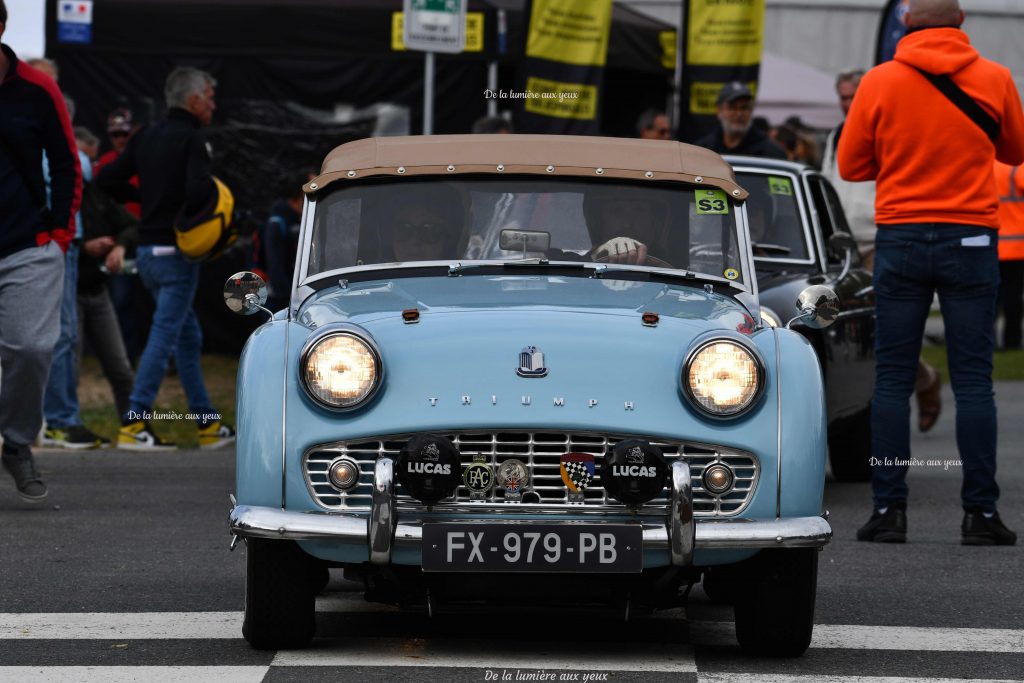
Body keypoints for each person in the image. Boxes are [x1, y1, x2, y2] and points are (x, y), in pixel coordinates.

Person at [838, 0, 1024, 545]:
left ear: (907, 26)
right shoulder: (994, 77)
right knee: (974, 382)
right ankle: (981, 515)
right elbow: (1013, 150)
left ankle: (889, 510)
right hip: (970, 237)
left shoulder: (879, 81)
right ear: (962, 24)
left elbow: (851, 164)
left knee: (893, 379)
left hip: (902, 236)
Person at [97, 66, 234, 451]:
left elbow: (106, 180)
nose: (212, 104)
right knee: (164, 336)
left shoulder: (146, 136)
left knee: (187, 337)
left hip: (147, 255)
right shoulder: (192, 139)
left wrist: (149, 199)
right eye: (208, 96)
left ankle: (206, 425)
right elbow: (196, 193)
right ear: (192, 100)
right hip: (175, 255)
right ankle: (134, 423)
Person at [824, 67, 944, 433]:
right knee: (853, 333)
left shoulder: (887, 128)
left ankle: (916, 385)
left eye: (854, 95)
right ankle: (923, 379)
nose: (849, 103)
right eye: (843, 97)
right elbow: (831, 179)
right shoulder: (837, 134)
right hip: (843, 245)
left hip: (881, 239)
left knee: (885, 330)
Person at [1, 0, 82, 500]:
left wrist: (60, 234)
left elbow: (67, 160)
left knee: (31, 349)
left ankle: (15, 442)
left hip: (27, 242)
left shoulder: (36, 87)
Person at [75, 126, 137, 422]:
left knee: (120, 366)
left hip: (98, 291)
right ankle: (64, 424)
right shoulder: (57, 195)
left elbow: (130, 224)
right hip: (68, 291)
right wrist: (83, 246)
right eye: (81, 157)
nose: (86, 165)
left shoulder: (98, 193)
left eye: (90, 158)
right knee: (67, 368)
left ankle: (132, 425)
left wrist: (120, 248)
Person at [261, 171, 313, 311]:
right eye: (313, 187)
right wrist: (292, 300)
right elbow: (275, 267)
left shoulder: (305, 219)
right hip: (280, 303)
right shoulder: (277, 223)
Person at [695, 83, 787, 159]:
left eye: (744, 108)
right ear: (719, 111)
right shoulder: (703, 150)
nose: (739, 114)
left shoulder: (771, 154)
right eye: (732, 108)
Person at [995, 161, 1024, 350]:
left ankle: (985, 342)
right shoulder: (1016, 166)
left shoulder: (984, 164)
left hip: (989, 244)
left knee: (989, 299)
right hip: (1016, 246)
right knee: (1013, 298)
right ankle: (1012, 342)